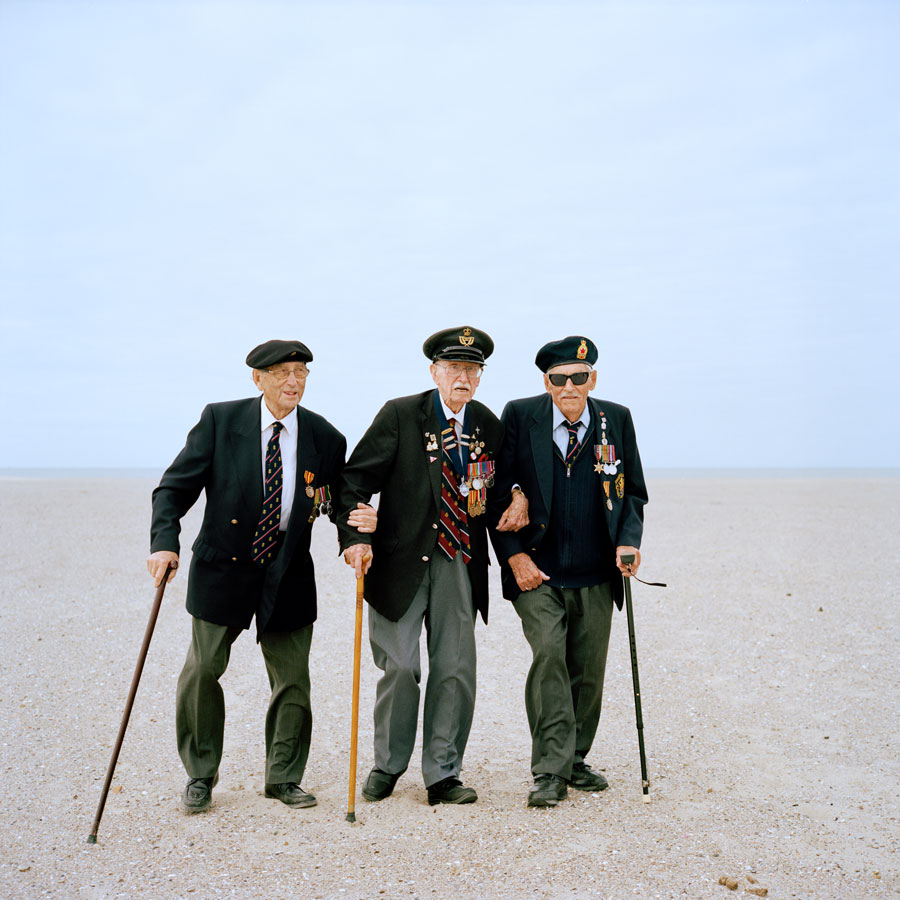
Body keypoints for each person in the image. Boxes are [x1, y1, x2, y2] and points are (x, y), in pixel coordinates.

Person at [147, 339, 375, 813]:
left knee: (293, 679)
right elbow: (173, 488)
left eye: (301, 372)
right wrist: (164, 542)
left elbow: (342, 498)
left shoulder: (325, 437)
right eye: (282, 373)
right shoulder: (220, 420)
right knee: (202, 670)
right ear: (258, 378)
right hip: (223, 566)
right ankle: (201, 774)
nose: (293, 382)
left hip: (288, 569)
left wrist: (354, 538)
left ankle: (284, 776)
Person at [339, 326, 526, 806]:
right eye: (453, 368)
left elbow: (501, 483)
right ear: (434, 372)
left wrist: (519, 495)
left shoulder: (487, 423)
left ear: (480, 377)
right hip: (399, 561)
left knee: (455, 669)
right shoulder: (402, 414)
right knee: (400, 667)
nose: (462, 377)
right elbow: (355, 482)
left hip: (459, 561)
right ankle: (388, 764)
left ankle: (443, 773)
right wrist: (356, 537)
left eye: (471, 369)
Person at [489, 335, 648, 808]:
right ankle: (549, 769)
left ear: (591, 378)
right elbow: (495, 490)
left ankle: (575, 758)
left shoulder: (615, 419)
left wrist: (629, 541)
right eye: (559, 379)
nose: (569, 387)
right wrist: (514, 555)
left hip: (597, 571)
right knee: (550, 658)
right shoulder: (521, 414)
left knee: (587, 671)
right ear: (546, 381)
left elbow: (633, 491)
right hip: (537, 570)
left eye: (579, 378)